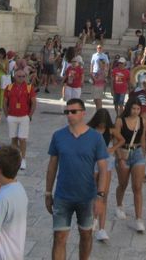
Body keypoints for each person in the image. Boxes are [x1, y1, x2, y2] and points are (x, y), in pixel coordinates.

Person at [46, 98, 109, 259]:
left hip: (87, 197)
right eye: (67, 112)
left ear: (83, 113)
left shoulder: (95, 138)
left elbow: (103, 169)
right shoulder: (58, 136)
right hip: (62, 196)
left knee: (86, 235)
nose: (69, 115)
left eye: (73, 111)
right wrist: (48, 193)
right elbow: (52, 166)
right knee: (59, 238)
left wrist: (100, 197)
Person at [113, 98, 146, 234]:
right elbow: (115, 140)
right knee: (123, 184)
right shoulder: (120, 121)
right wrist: (120, 158)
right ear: (129, 108)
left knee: (137, 187)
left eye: (138, 109)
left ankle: (139, 219)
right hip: (123, 153)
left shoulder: (142, 121)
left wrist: (143, 154)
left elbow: (142, 139)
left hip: (138, 153)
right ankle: (119, 205)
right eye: (133, 108)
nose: (136, 111)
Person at [87, 109, 120, 242]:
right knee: (93, 193)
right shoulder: (89, 130)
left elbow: (121, 140)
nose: (102, 126)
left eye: (104, 124)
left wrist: (113, 148)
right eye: (100, 124)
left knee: (104, 195)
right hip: (93, 162)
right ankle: (93, 219)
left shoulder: (110, 130)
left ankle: (101, 228)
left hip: (106, 162)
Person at [3, 69, 37, 171]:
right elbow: (4, 102)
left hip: (24, 116)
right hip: (12, 116)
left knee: (22, 139)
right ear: (14, 76)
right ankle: (15, 159)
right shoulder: (9, 88)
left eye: (23, 76)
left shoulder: (29, 87)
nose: (22, 78)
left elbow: (34, 102)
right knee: (13, 139)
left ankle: (23, 159)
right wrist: (7, 115)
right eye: (19, 76)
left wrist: (29, 115)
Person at [90, 46, 108, 111]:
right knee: (95, 99)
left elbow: (102, 78)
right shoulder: (99, 70)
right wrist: (92, 74)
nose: (99, 64)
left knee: (98, 99)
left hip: (100, 85)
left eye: (101, 64)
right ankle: (98, 109)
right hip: (96, 83)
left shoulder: (103, 71)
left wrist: (94, 78)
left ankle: (99, 111)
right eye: (99, 63)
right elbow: (92, 64)